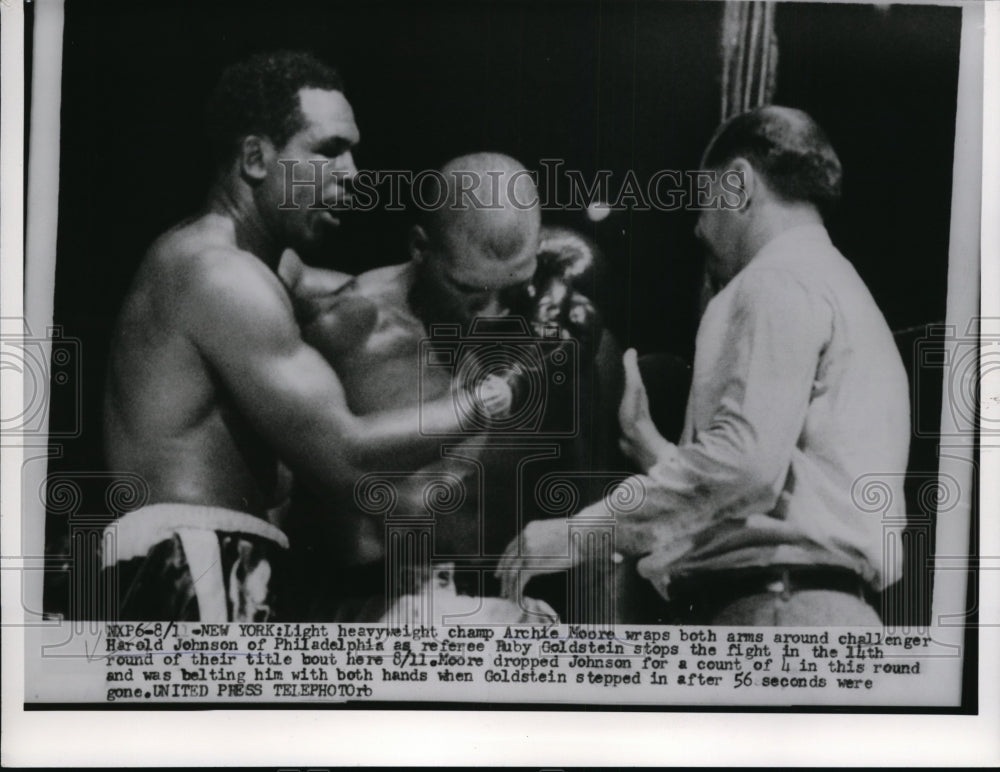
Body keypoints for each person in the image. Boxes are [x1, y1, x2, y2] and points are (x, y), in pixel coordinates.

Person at [101, 52, 510, 622]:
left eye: (352, 149)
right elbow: (348, 456)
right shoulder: (222, 276)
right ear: (255, 157)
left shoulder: (262, 269)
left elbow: (364, 294)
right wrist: (485, 400)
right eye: (326, 149)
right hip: (194, 556)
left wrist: (457, 276)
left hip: (207, 554)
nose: (351, 173)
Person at [497, 105, 911, 626]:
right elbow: (782, 481)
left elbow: (746, 469)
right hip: (820, 611)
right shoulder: (839, 286)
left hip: (780, 611)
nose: (696, 228)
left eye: (702, 200)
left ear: (737, 184)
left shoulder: (776, 279)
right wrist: (655, 449)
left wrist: (577, 532)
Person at [287, 153, 622, 621]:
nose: (492, 313)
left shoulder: (556, 338)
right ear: (420, 247)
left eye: (512, 290)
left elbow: (592, 528)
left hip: (506, 613)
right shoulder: (345, 330)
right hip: (369, 616)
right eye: (470, 293)